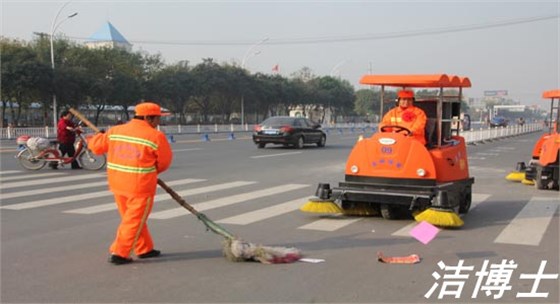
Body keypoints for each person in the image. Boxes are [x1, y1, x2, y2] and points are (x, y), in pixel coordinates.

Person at [88, 102, 173, 265]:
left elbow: (96, 148)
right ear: (148, 118)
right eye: (157, 119)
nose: (158, 123)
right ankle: (119, 253)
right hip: (139, 186)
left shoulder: (115, 131)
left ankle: (144, 248)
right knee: (134, 220)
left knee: (132, 218)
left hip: (118, 183)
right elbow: (163, 163)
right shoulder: (155, 136)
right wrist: (152, 171)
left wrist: (98, 137)